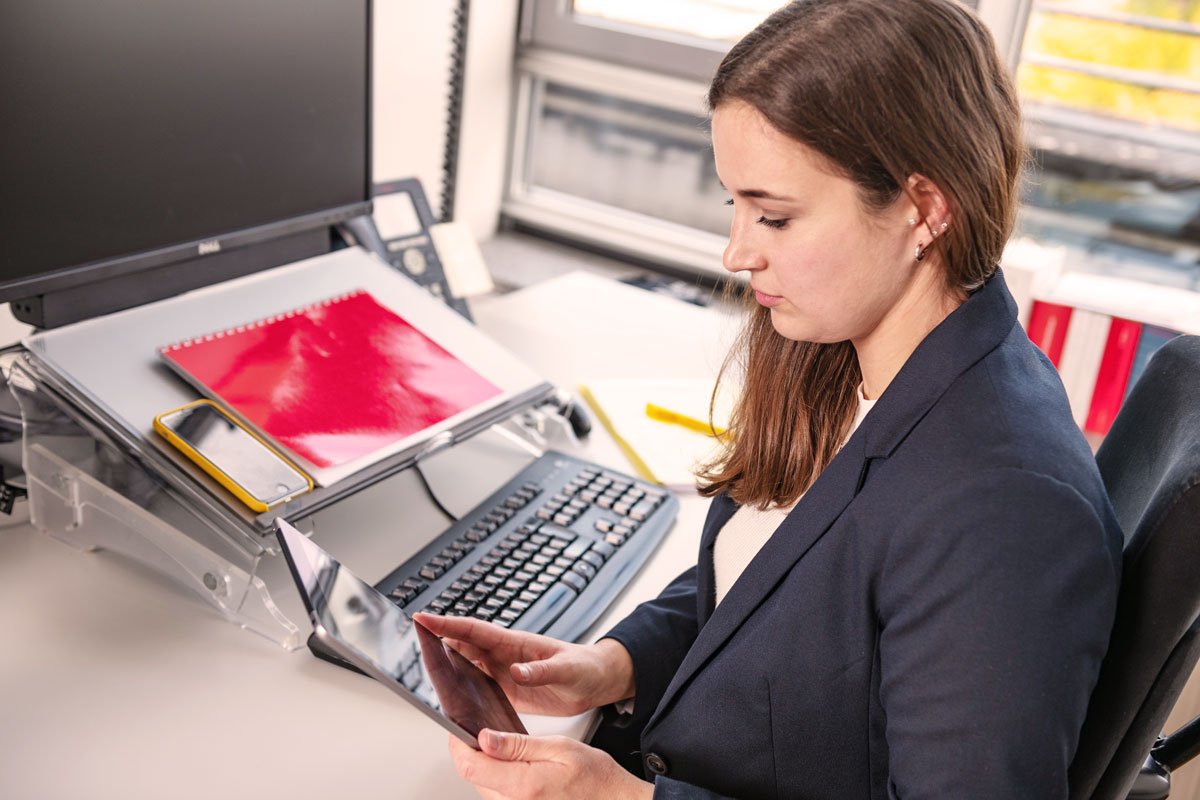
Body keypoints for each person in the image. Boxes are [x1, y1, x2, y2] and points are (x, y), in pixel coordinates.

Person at [416, 0, 1124, 796]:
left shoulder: (1003, 510)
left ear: (923, 210)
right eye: (735, 205)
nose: (736, 251)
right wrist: (610, 667)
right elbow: (772, 587)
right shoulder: (847, 353)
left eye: (775, 216)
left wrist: (619, 798)